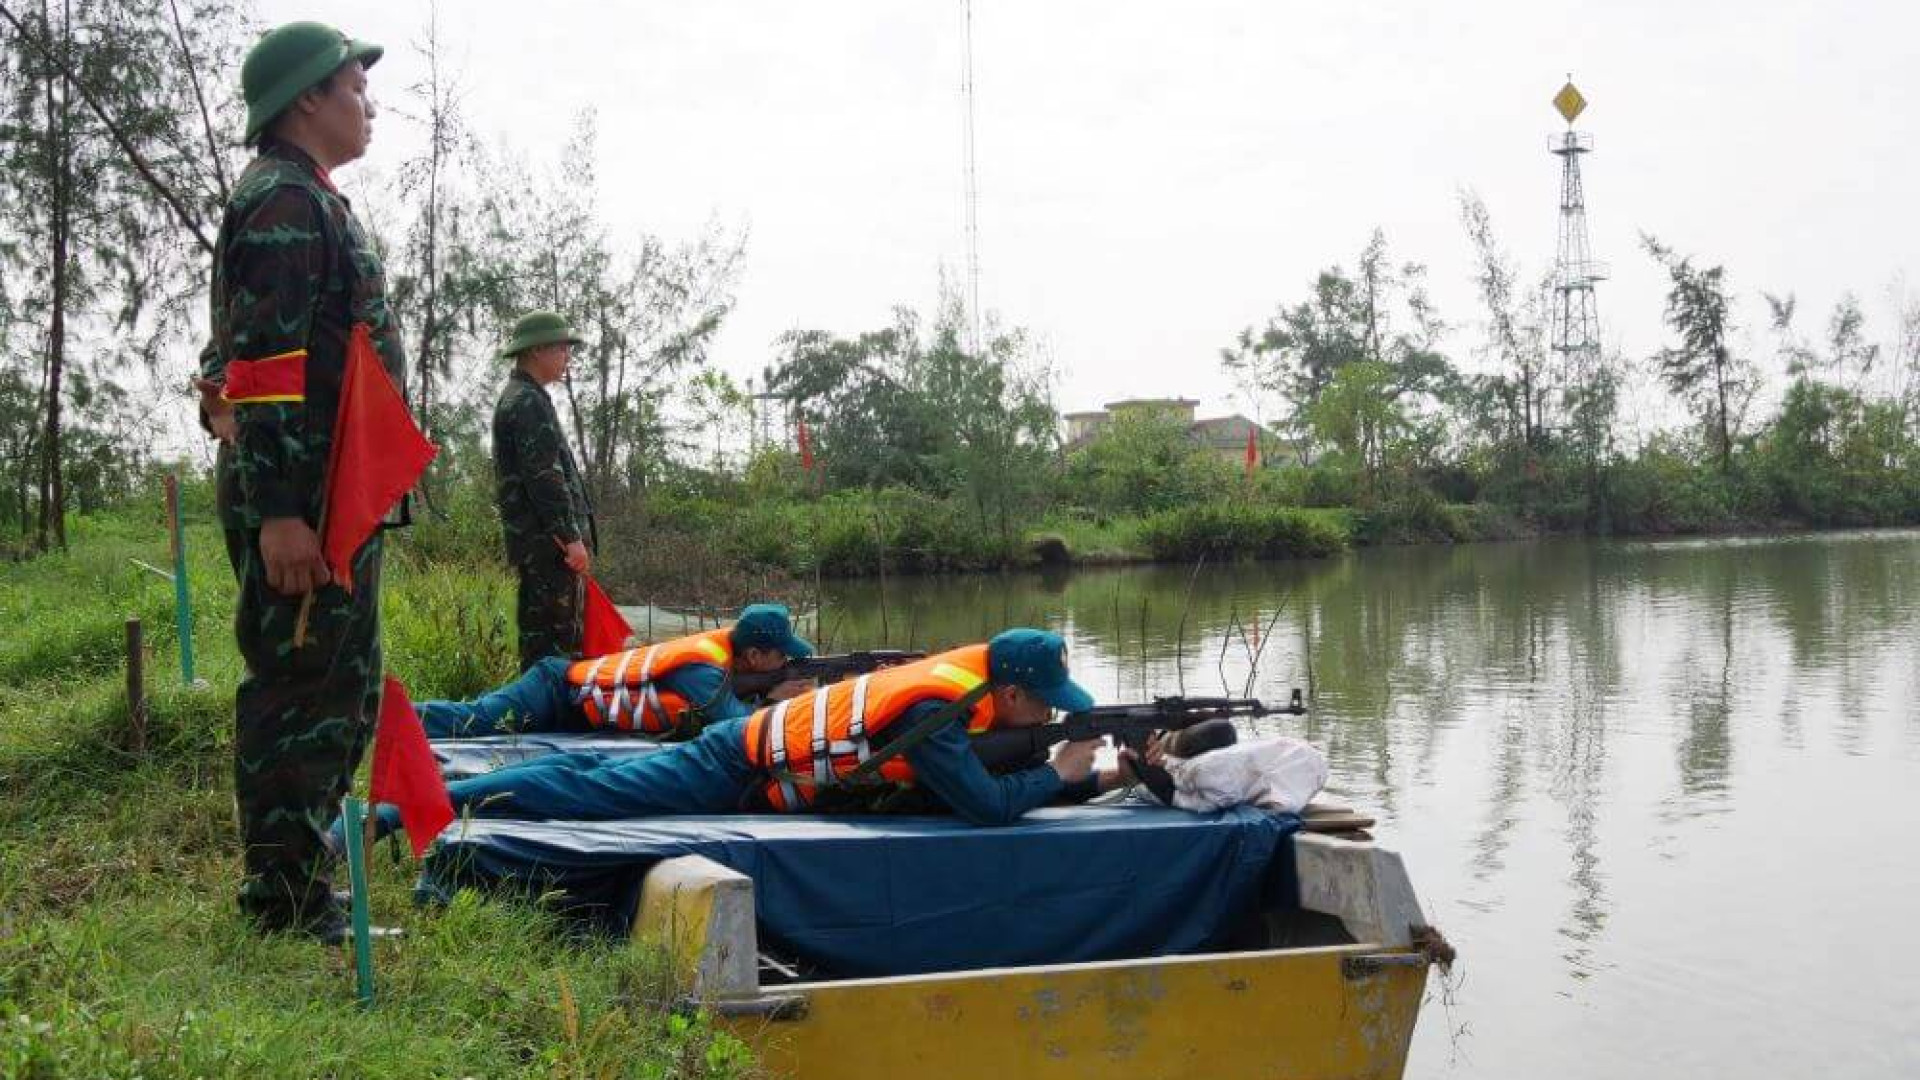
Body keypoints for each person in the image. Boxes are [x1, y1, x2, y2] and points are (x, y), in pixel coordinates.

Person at [193, 21, 405, 944]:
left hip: (330, 500)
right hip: (303, 506)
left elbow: (232, 355)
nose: (370, 106)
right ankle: (280, 904)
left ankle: (300, 882)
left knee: (341, 685)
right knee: (300, 687)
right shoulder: (281, 200)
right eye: (357, 88)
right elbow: (266, 364)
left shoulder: (304, 199)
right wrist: (280, 512)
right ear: (308, 98)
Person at [370, 629, 1133, 843]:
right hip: (730, 764)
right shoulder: (935, 709)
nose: (1048, 718)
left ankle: (407, 808)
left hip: (749, 757)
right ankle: (401, 815)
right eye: (1045, 706)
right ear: (1008, 691)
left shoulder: (962, 688)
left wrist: (1112, 776)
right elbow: (983, 808)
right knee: (581, 791)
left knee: (584, 786)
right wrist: (1061, 774)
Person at [417, 603, 816, 739]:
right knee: (473, 721)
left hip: (569, 706)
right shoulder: (702, 667)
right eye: (781, 656)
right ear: (752, 655)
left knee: (477, 718)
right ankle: (387, 716)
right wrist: (772, 704)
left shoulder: (726, 652)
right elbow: (730, 722)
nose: (786, 662)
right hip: (555, 690)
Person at [492, 310, 594, 670]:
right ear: (537, 350)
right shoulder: (526, 401)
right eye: (563, 349)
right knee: (555, 653)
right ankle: (543, 722)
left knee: (546, 647)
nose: (568, 357)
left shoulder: (526, 397)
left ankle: (538, 720)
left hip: (544, 548)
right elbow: (544, 477)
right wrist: (569, 537)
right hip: (549, 550)